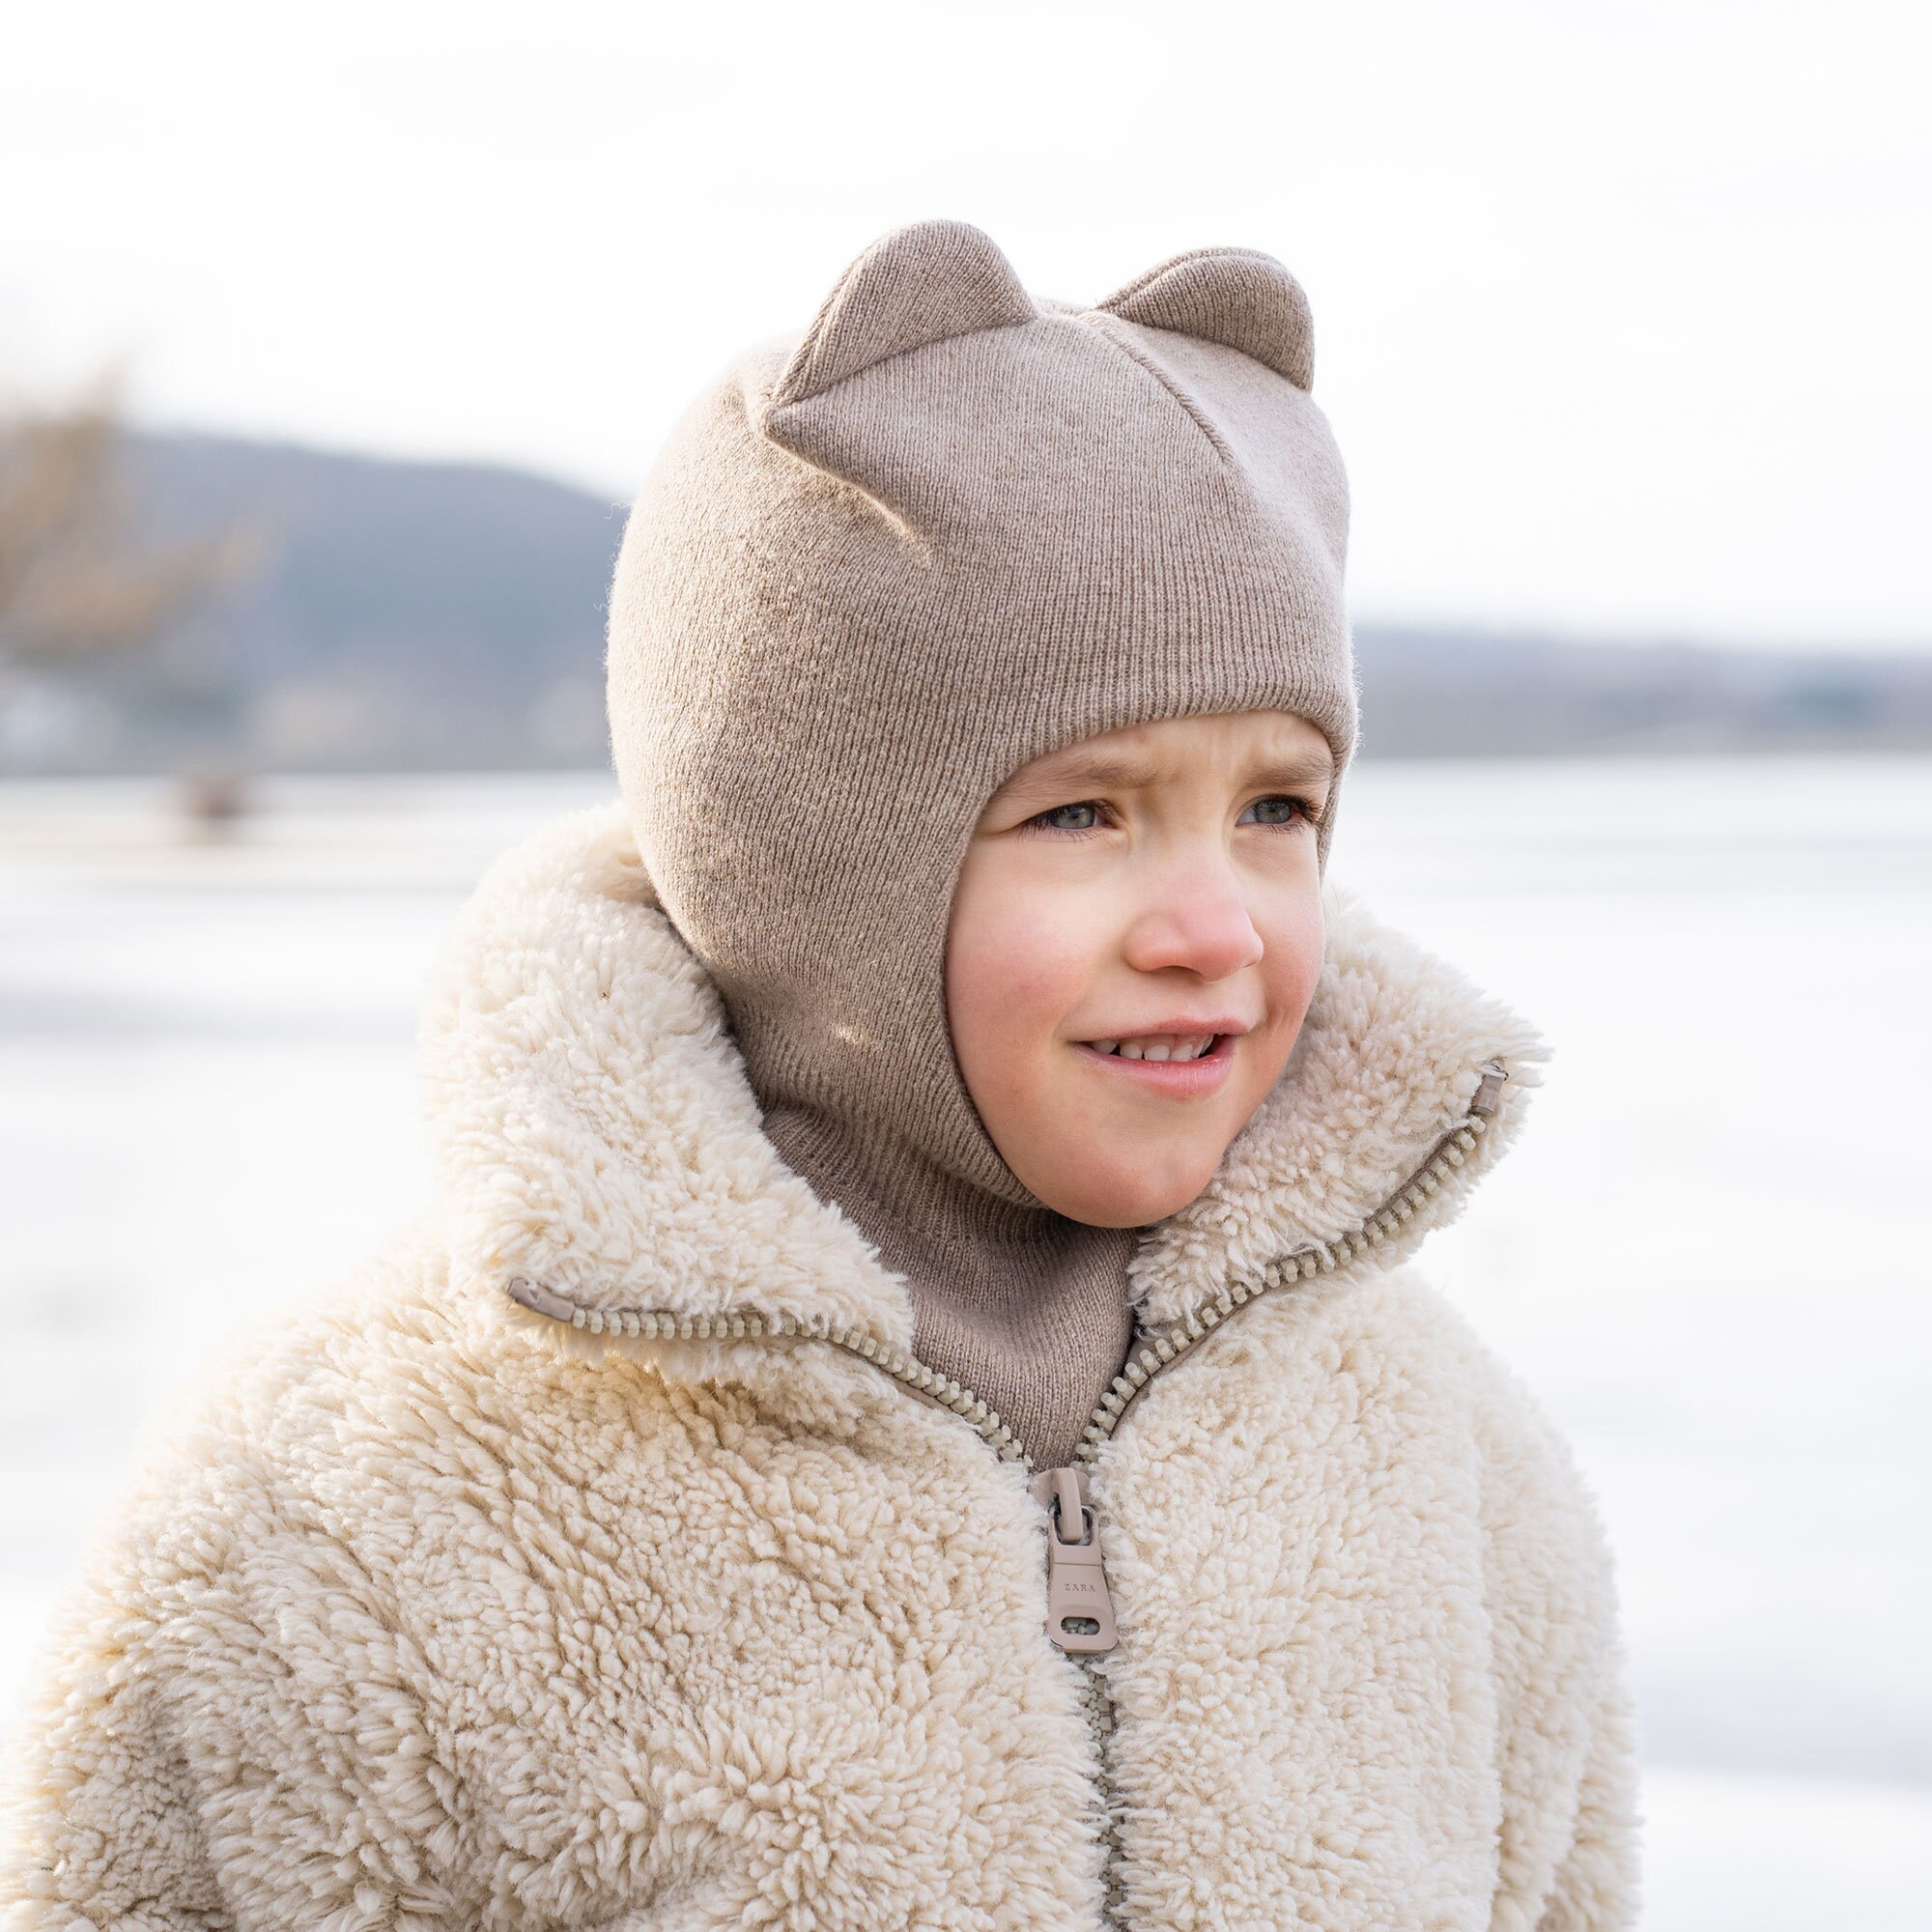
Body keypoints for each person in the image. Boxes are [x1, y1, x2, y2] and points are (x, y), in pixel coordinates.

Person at [0, 219, 1639, 1930]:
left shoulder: (1448, 1471)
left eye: (1278, 808)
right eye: (1083, 813)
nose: (1215, 925)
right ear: (804, 861)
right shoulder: (344, 1509)